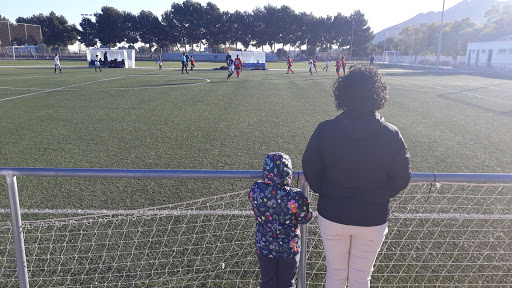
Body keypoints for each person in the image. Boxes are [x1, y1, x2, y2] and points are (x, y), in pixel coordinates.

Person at [302, 66, 411, 288]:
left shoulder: (326, 129)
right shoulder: (390, 133)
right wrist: (380, 194)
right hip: (372, 217)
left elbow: (310, 168)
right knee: (361, 278)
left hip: (332, 213)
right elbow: (402, 176)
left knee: (335, 274)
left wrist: (327, 191)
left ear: (343, 93)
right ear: (378, 94)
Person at [249, 152, 313, 288]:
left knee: (267, 282)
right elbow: (306, 217)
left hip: (264, 246)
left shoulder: (256, 190)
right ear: (288, 172)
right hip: (289, 249)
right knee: (287, 283)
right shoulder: (296, 196)